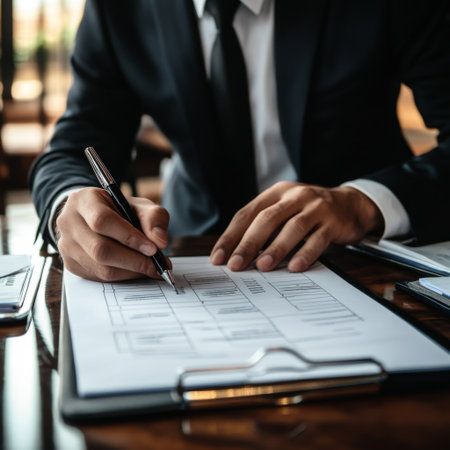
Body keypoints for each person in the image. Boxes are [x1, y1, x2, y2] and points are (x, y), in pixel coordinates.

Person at [30, 0, 450, 282]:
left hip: (361, 260)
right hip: (188, 257)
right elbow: (73, 149)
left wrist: (364, 203)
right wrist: (70, 205)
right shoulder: (117, 9)